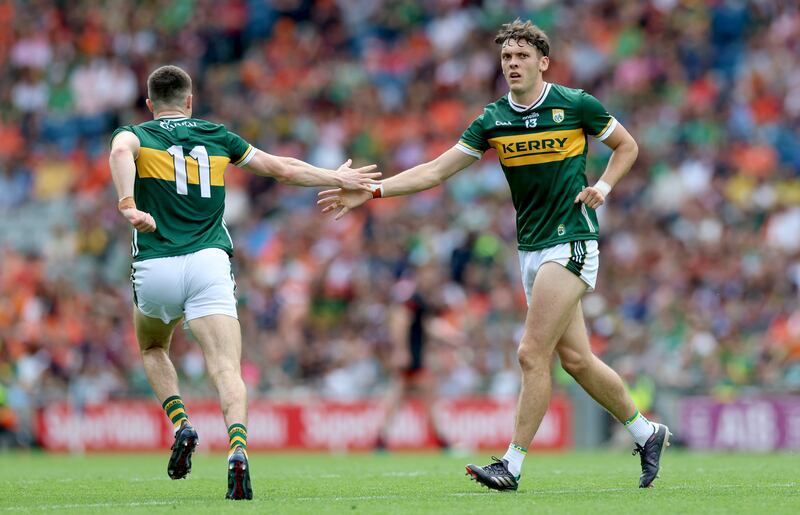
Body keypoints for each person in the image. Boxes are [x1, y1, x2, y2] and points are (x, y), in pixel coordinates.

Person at [318, 19, 670, 491]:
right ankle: (647, 432)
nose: (513, 64)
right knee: (578, 361)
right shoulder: (493, 119)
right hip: (530, 248)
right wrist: (374, 192)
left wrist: (602, 186)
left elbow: (627, 146)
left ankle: (513, 463)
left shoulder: (575, 104)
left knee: (531, 354)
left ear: (543, 62)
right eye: (507, 57)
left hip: (571, 240)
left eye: (522, 56)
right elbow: (436, 170)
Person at [108, 65, 378, 500]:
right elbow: (281, 168)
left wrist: (127, 204)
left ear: (149, 105)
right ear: (190, 100)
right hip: (209, 263)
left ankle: (181, 423)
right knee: (226, 367)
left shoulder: (135, 133)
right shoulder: (218, 136)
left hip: (156, 262)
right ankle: (237, 449)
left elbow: (121, 153)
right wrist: (336, 177)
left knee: (153, 347)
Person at [375, 264, 453, 452]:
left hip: (415, 356)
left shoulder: (423, 301)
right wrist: (401, 350)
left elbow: (426, 327)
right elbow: (400, 320)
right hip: (411, 357)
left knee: (400, 396)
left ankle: (381, 439)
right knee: (424, 396)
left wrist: (450, 338)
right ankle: (441, 440)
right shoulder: (414, 300)